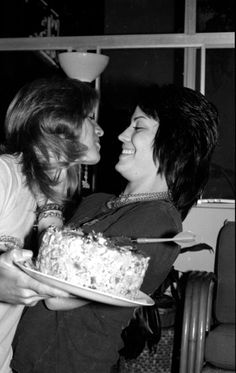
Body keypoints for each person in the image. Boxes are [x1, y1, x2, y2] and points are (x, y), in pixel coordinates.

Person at [11, 84, 219, 373]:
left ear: (175, 143)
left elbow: (58, 297)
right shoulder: (97, 202)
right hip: (21, 358)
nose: (122, 135)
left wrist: (50, 204)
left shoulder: (161, 221)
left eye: (138, 127)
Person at [0, 76, 103, 373]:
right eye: (88, 117)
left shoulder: (47, 198)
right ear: (58, 122)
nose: (100, 129)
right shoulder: (6, 174)